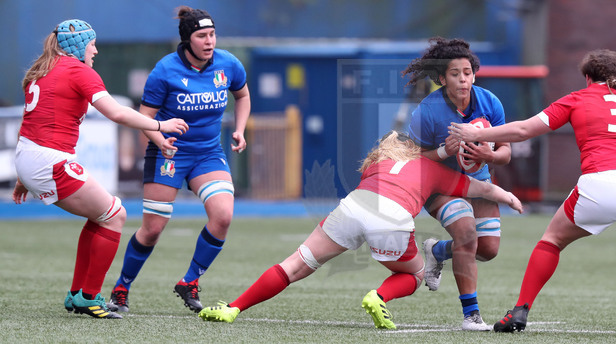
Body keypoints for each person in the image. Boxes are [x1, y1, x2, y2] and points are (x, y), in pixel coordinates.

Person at [449, 49, 616, 336]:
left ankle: (520, 311)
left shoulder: (577, 99)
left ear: (588, 77)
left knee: (552, 241)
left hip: (600, 183)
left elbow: (522, 131)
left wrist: (475, 134)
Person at [196, 131, 523, 328]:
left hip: (353, 205)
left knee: (293, 265)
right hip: (392, 216)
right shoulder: (430, 168)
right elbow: (482, 190)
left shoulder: (376, 165)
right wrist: (508, 196)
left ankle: (233, 308)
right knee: (414, 275)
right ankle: (378, 296)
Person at [12, 19, 188, 319]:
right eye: (91, 43)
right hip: (48, 160)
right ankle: (89, 297)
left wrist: (22, 177)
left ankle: (77, 294)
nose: (95, 50)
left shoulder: (42, 70)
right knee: (115, 215)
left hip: (30, 156)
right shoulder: (78, 69)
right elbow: (116, 112)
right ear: (79, 45)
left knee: (102, 215)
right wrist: (160, 124)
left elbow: (31, 125)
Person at [105, 6, 250, 313]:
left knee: (223, 216)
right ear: (187, 40)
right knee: (153, 228)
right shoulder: (165, 70)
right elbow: (145, 117)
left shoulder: (228, 63)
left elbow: (243, 94)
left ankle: (189, 282)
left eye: (212, 34)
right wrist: (160, 140)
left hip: (208, 154)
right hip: (168, 154)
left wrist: (239, 129)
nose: (209, 41)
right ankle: (121, 288)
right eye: (202, 36)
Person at [402, 37, 512, 330]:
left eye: (467, 72)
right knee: (466, 233)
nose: (463, 79)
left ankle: (437, 251)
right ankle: (471, 316)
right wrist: (443, 151)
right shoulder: (427, 110)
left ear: (474, 74)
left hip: (480, 182)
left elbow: (506, 152)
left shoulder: (490, 103)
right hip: (439, 187)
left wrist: (491, 153)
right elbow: (410, 158)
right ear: (442, 78)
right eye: (455, 73)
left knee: (488, 249)